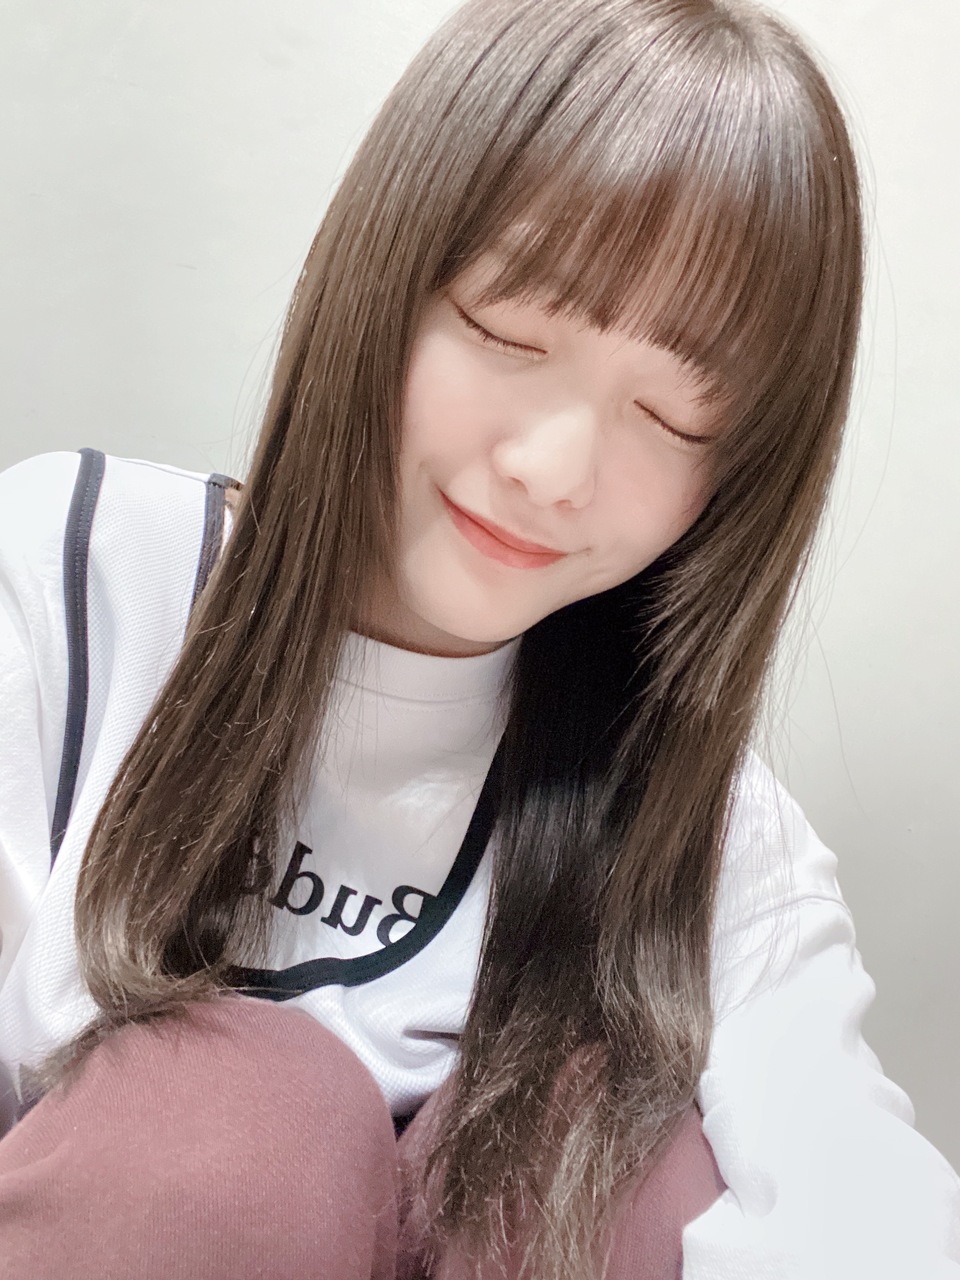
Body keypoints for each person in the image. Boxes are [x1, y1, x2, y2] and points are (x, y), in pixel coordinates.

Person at [0, 0, 957, 1277]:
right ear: (384, 272)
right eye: (510, 333)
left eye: (674, 416)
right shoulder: (73, 586)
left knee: (613, 1162)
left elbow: (863, 1198)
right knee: (233, 1129)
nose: (553, 469)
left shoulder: (702, 830)